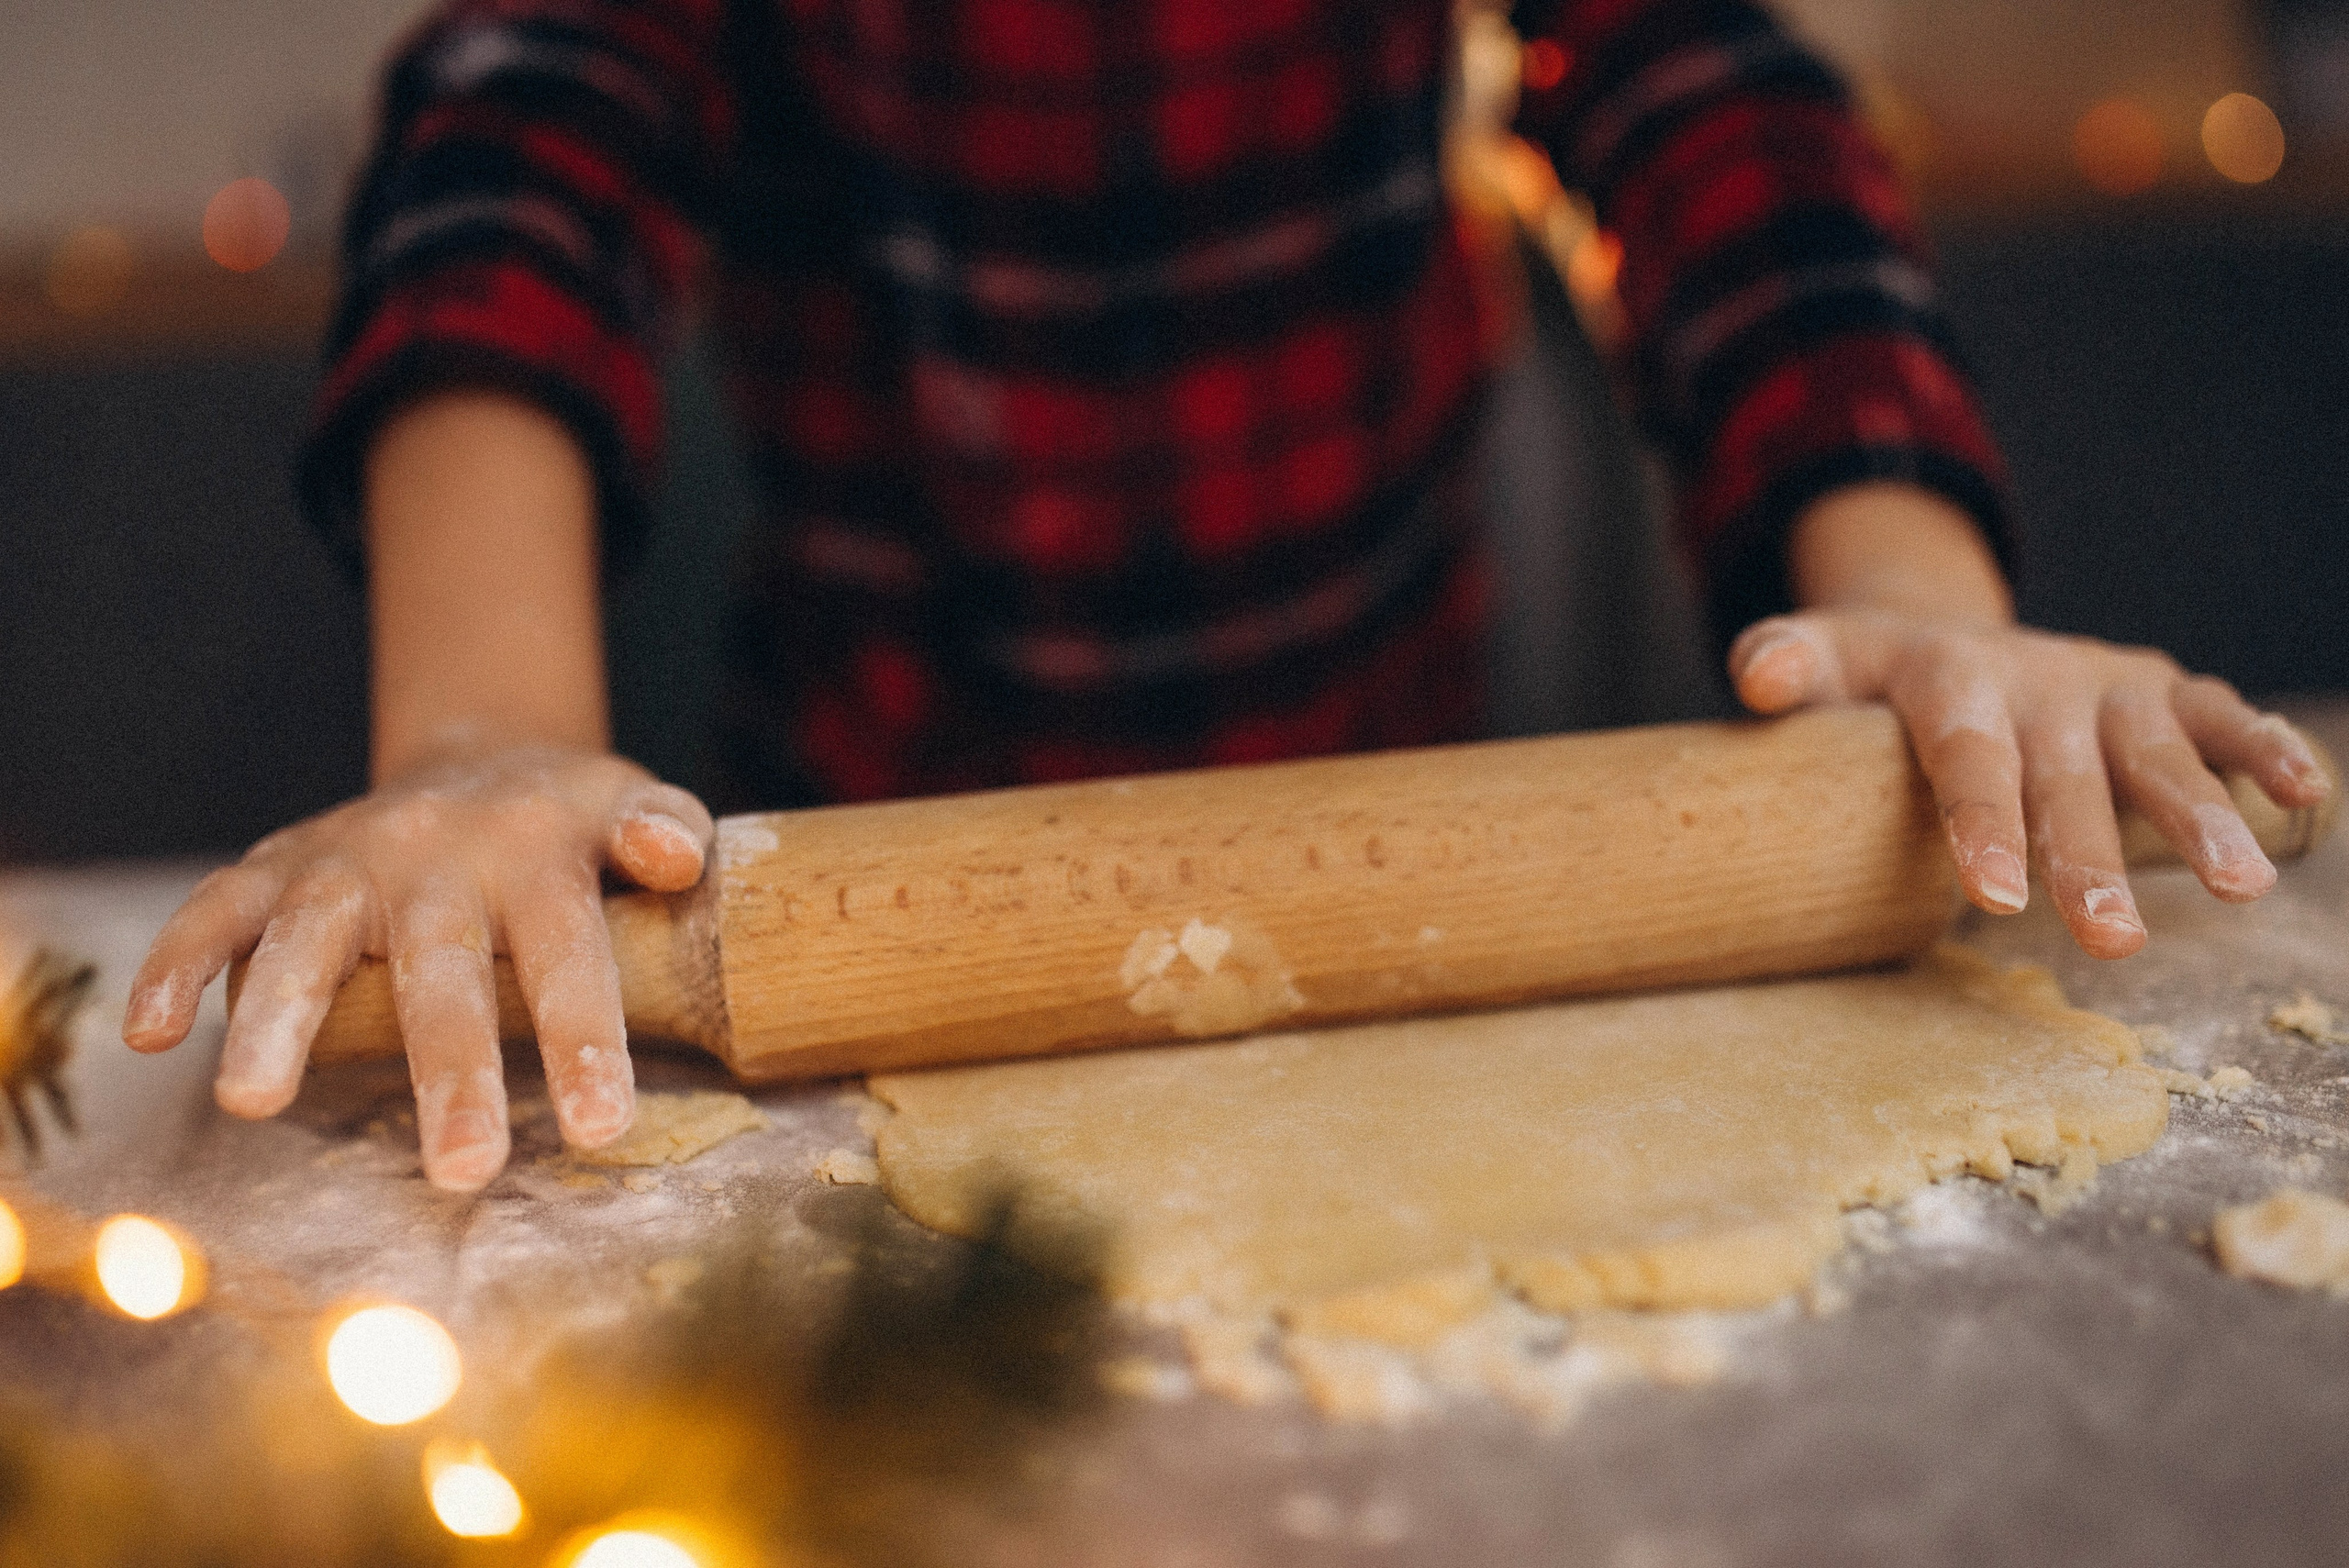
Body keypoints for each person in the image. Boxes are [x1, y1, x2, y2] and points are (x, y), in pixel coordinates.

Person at [123, 0, 2330, 1191]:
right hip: (863, 838)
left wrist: (1909, 592)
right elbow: (527, 133)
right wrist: (479, 730)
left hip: (1396, 817)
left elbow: (1701, 98)